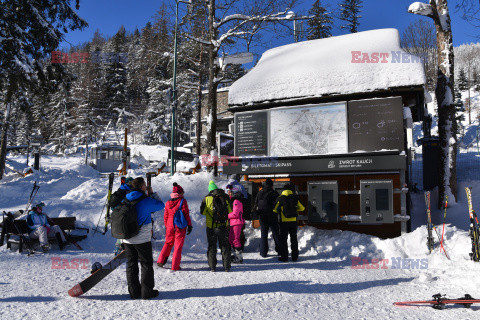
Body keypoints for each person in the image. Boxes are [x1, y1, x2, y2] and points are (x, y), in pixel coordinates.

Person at [122, 177, 164, 299]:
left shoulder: (126, 198)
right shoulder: (146, 200)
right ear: (141, 187)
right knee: (146, 264)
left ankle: (134, 292)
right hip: (142, 239)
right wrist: (152, 194)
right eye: (145, 185)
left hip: (127, 238)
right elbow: (161, 205)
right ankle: (147, 292)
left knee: (131, 265)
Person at [156, 182, 193, 271]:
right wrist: (189, 225)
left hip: (169, 226)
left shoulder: (168, 202)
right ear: (180, 193)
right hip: (179, 226)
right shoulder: (182, 201)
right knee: (178, 246)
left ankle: (161, 261)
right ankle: (175, 266)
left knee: (168, 243)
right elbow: (186, 214)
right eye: (182, 192)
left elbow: (166, 216)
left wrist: (167, 226)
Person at [200, 180, 232, 272]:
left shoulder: (206, 198)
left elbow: (202, 212)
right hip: (223, 225)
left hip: (211, 227)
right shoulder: (225, 197)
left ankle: (212, 266)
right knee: (225, 246)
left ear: (210, 190)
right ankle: (226, 266)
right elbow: (230, 210)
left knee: (212, 246)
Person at [273, 183, 305, 262]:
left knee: (284, 239)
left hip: (284, 222)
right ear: (291, 190)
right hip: (293, 221)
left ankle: (285, 257)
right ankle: (295, 257)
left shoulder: (280, 198)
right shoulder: (295, 197)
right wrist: (296, 209)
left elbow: (274, 210)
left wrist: (280, 210)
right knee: (293, 238)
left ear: (284, 190)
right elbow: (302, 208)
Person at [254, 178, 280, 258]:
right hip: (272, 216)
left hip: (262, 217)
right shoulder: (274, 193)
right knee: (276, 234)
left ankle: (263, 252)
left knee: (264, 235)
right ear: (271, 185)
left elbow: (255, 204)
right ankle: (280, 251)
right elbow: (278, 205)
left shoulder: (260, 193)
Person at [110, 177, 134, 255]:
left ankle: (118, 248)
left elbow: (112, 205)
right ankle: (126, 248)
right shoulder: (130, 192)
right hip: (127, 216)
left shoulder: (119, 191)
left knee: (121, 233)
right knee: (127, 232)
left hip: (118, 216)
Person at [226, 184, 245, 263]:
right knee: (231, 239)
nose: (229, 193)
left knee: (235, 239)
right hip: (233, 222)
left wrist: (226, 216)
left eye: (230, 192)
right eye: (228, 192)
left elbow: (235, 214)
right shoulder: (233, 200)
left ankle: (239, 257)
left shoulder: (236, 201)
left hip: (237, 222)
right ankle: (235, 255)